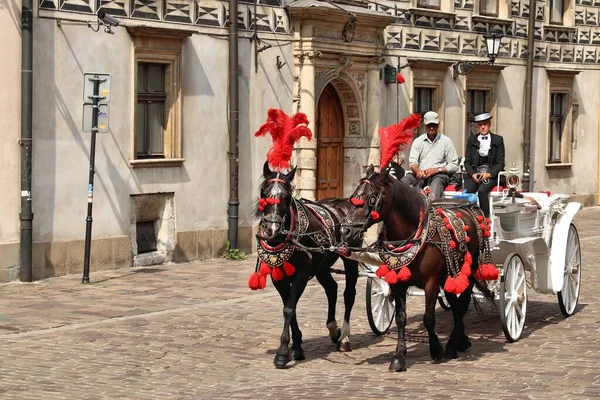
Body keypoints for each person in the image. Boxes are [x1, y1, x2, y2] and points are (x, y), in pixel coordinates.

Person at [401, 111, 459, 199]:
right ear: (425, 126)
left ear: (438, 125)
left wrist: (437, 170)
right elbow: (413, 162)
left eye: (434, 125)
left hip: (439, 175)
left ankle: (431, 209)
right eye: (429, 125)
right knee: (402, 182)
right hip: (421, 174)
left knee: (436, 185)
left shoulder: (446, 141)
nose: (432, 128)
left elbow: (454, 165)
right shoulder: (418, 141)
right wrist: (418, 170)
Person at [464, 112, 505, 217]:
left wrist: (488, 174)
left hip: (491, 175)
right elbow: (467, 162)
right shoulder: (471, 140)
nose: (483, 127)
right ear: (477, 126)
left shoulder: (498, 140)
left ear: (489, 124)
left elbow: (500, 163)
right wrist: (473, 174)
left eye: (485, 124)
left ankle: (485, 220)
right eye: (480, 125)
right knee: (468, 191)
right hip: (476, 173)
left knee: (482, 190)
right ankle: (469, 218)